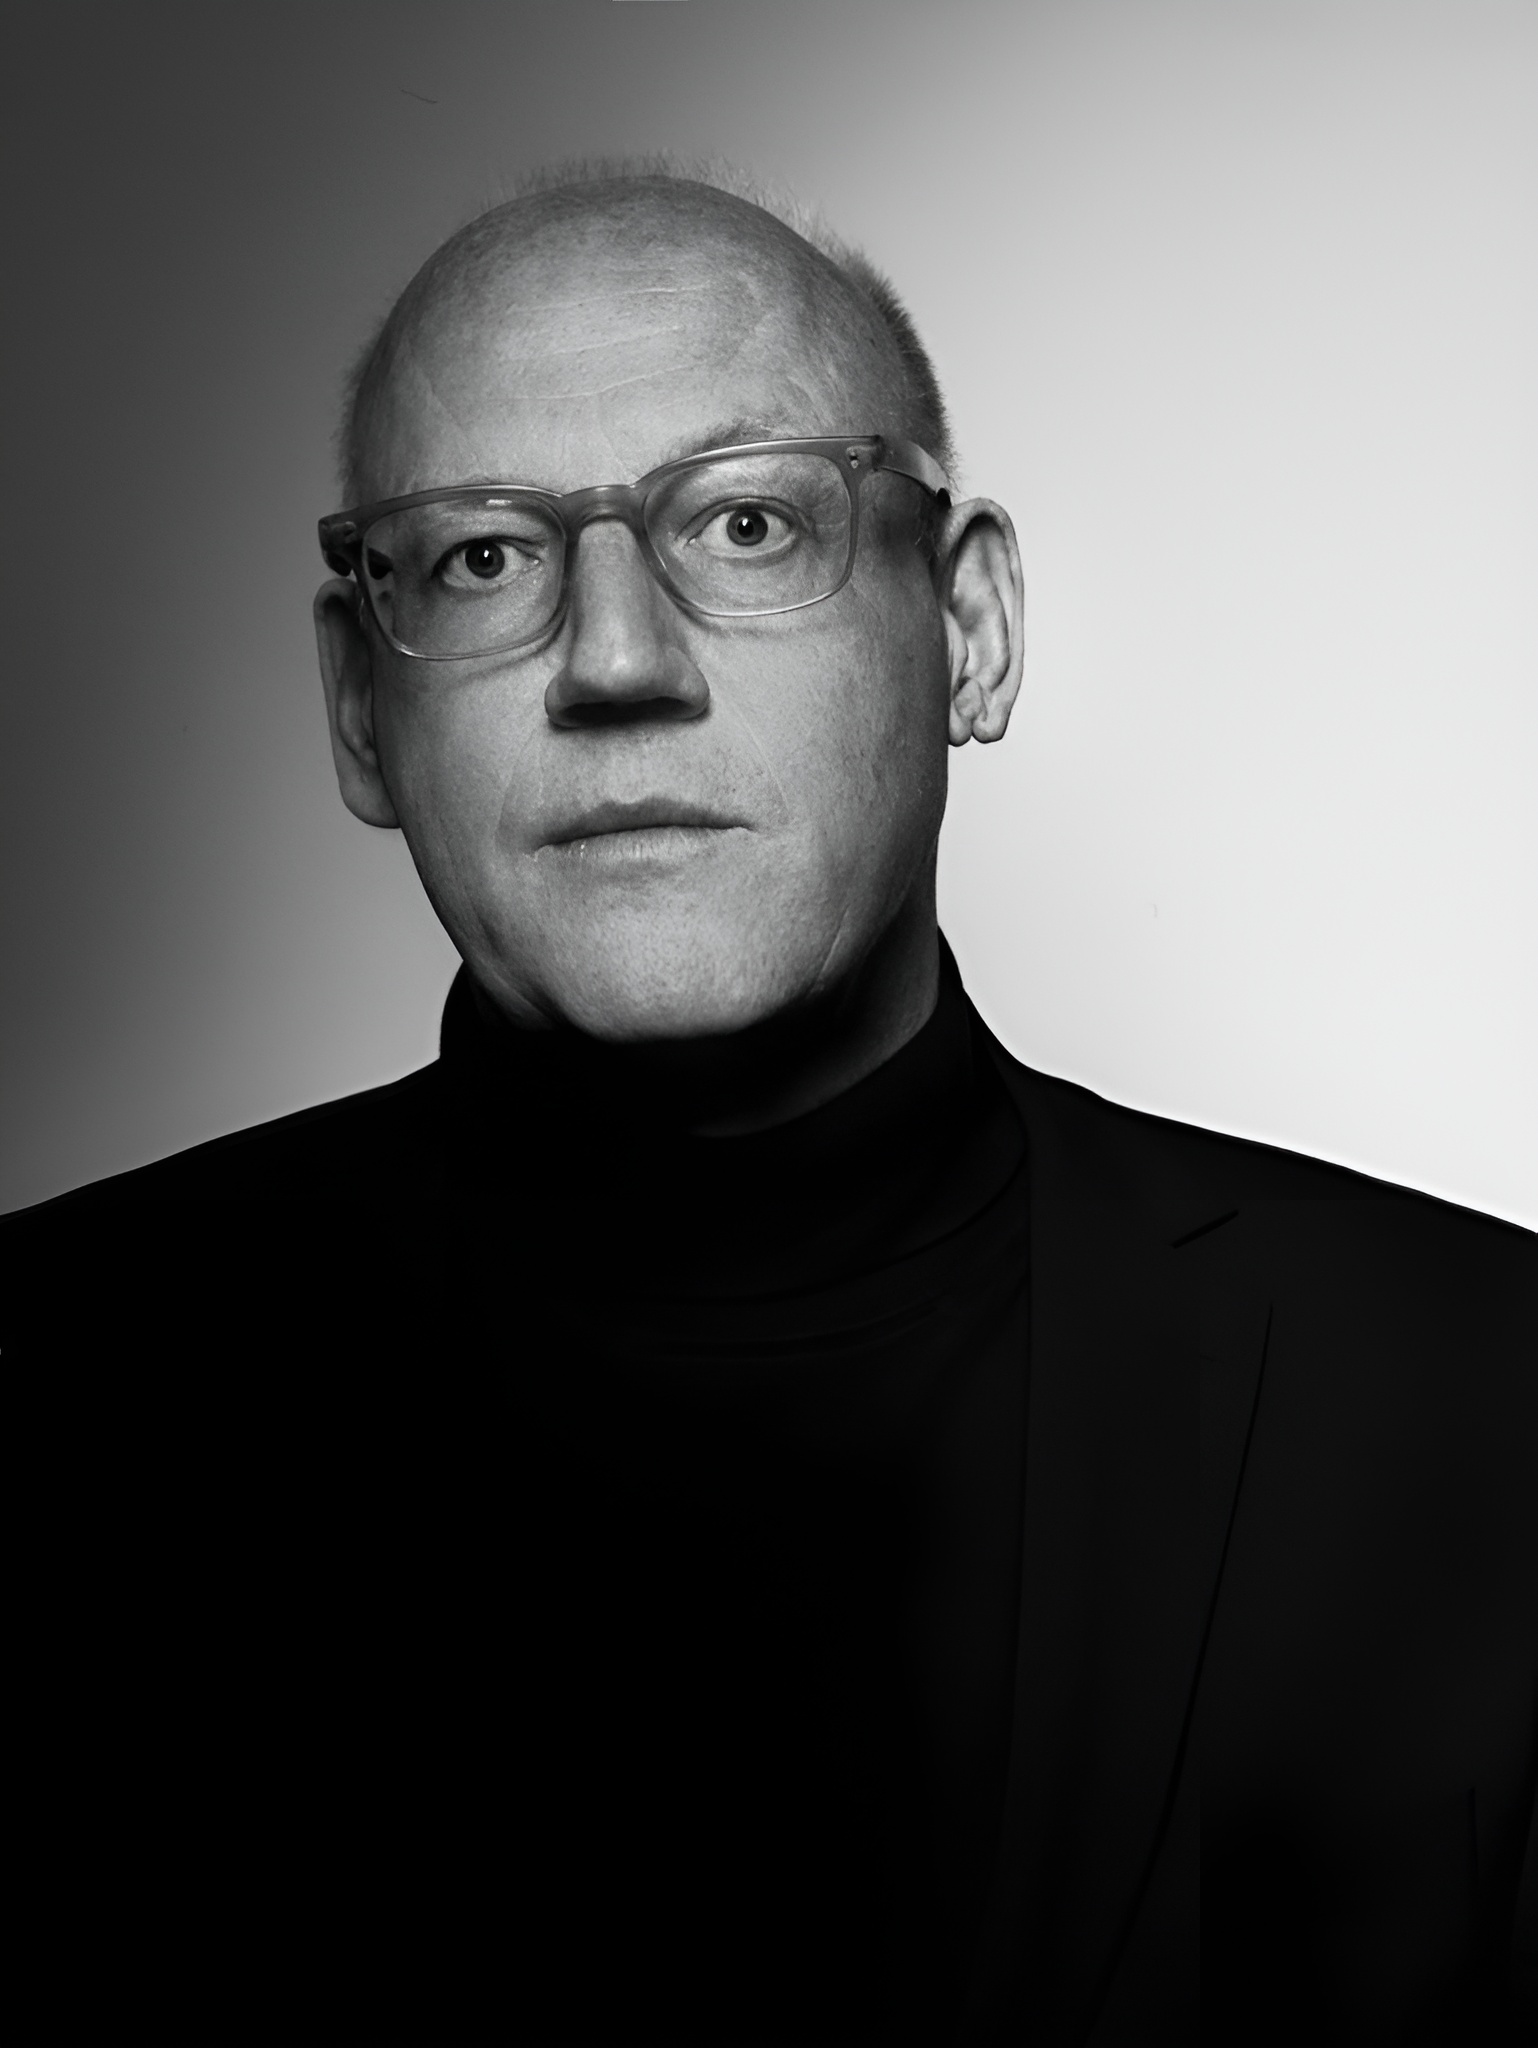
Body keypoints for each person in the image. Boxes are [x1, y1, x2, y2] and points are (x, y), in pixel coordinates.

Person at [5, 163, 1534, 2047]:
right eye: (481, 557)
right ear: (356, 709)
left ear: (967, 625)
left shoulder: (1480, 1388)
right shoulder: (48, 1389)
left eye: (745, 523)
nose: (615, 660)